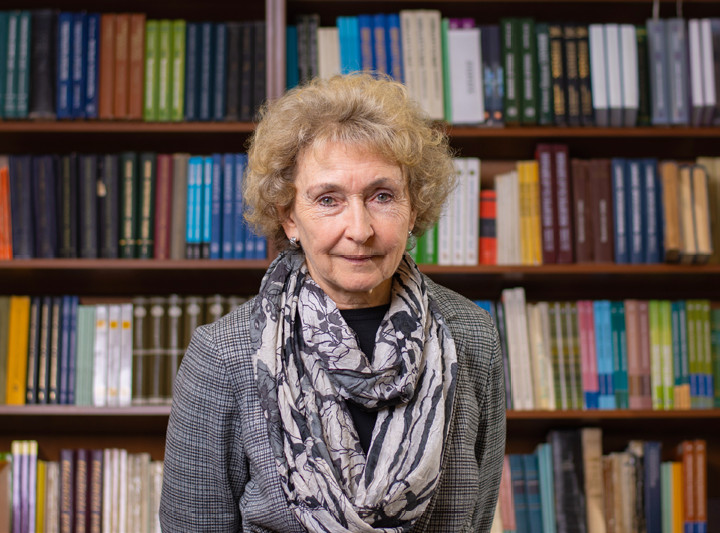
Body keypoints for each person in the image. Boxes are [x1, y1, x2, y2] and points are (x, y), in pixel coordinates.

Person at [160, 73, 506, 533]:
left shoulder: (472, 337)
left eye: (382, 196)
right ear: (289, 217)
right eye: (328, 199)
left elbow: (477, 519)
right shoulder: (223, 354)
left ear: (414, 208)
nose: (359, 229)